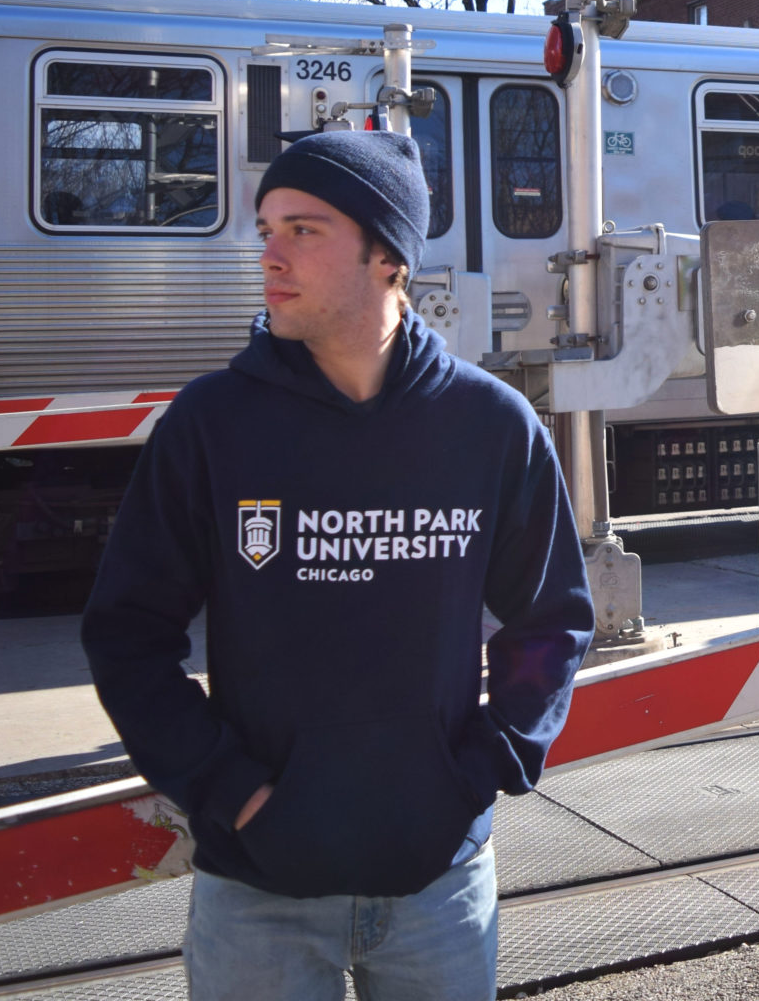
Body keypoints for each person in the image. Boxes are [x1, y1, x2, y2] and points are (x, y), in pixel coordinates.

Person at [81, 130, 592, 1000]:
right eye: (266, 228)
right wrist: (229, 791)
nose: (268, 255)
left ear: (387, 254)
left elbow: (552, 621)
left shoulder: (491, 427)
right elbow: (127, 635)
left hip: (438, 886)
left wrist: (481, 770)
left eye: (303, 231)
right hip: (259, 896)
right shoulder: (211, 426)